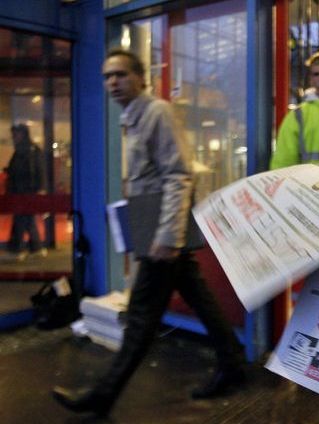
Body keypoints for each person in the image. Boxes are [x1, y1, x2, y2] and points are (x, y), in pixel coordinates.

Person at [52, 49, 245, 416]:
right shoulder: (132, 117)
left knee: (140, 317)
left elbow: (178, 175)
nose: (112, 83)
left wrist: (168, 237)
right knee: (199, 296)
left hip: (161, 230)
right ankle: (232, 363)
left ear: (141, 78)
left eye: (120, 75)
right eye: (107, 76)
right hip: (152, 223)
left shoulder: (156, 112)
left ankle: (103, 396)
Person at [5, 123, 47, 261]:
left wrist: (40, 189)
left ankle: (16, 249)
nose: (13, 137)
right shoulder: (26, 150)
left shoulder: (28, 151)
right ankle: (36, 248)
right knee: (27, 220)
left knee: (21, 219)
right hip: (23, 191)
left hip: (26, 191)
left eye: (16, 134)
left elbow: (39, 171)